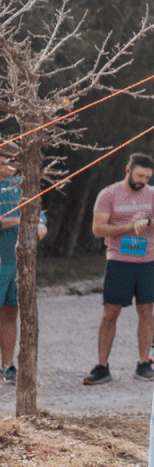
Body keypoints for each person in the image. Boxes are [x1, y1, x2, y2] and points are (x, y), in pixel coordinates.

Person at [85, 153, 154, 385]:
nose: (143, 181)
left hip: (148, 260)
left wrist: (148, 222)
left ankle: (143, 364)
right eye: (139, 176)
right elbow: (98, 229)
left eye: (147, 177)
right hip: (119, 261)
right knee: (110, 313)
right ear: (127, 170)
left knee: (146, 312)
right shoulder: (108, 194)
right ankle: (102, 366)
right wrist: (128, 226)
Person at [0, 143, 47, 383]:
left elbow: (39, 215)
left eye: (13, 160)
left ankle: (8, 367)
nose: (9, 164)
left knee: (11, 312)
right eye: (4, 159)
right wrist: (21, 219)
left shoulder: (21, 186)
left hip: (18, 262)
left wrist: (41, 224)